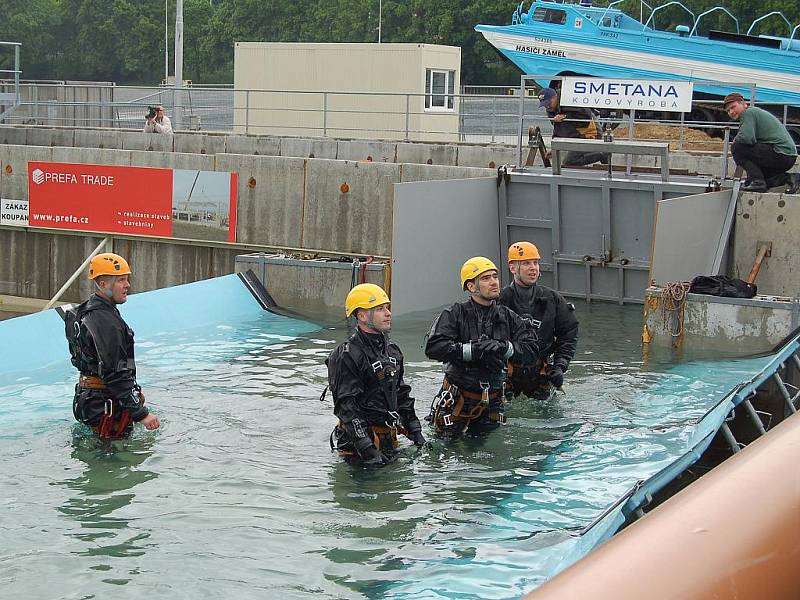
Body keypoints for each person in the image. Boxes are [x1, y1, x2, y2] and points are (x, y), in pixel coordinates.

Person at [424, 257, 538, 436]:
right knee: (448, 446)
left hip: (492, 402)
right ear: (471, 287)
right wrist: (473, 351)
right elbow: (434, 347)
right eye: (485, 278)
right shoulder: (454, 314)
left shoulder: (508, 317)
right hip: (457, 399)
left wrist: (504, 348)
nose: (494, 282)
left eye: (495, 276)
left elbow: (531, 349)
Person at [326, 283, 426, 465]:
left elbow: (401, 393)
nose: (388, 313)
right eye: (380, 309)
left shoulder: (392, 351)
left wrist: (415, 430)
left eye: (387, 308)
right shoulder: (347, 355)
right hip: (357, 445)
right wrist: (366, 447)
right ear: (362, 316)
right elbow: (346, 406)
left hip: (388, 437)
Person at [66, 252, 160, 439]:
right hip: (105, 405)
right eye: (121, 280)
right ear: (103, 284)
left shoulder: (82, 312)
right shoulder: (106, 322)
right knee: (115, 458)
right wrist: (141, 414)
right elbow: (115, 373)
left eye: (127, 279)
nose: (127, 285)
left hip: (87, 399)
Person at [499, 242, 579, 401]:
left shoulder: (552, 299)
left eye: (535, 262)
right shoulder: (500, 301)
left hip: (540, 372)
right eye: (526, 263)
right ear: (513, 267)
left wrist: (559, 366)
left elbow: (568, 334)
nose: (533, 268)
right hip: (506, 374)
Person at [724, 92, 799, 193]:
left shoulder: (748, 113)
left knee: (737, 147)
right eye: (728, 111)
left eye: (733, 107)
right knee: (763, 178)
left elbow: (747, 138)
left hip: (781, 153)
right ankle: (789, 178)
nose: (731, 112)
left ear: (743, 103)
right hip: (787, 156)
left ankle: (757, 182)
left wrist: (735, 141)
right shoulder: (752, 113)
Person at [539, 87, 608, 167]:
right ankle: (601, 154)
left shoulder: (570, 100)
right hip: (577, 136)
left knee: (569, 162)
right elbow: (559, 129)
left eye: (548, 103)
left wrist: (565, 117)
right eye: (544, 105)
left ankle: (603, 154)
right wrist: (555, 148)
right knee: (569, 161)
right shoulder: (551, 110)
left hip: (589, 134)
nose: (547, 107)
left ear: (555, 97)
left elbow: (585, 116)